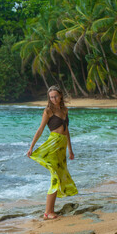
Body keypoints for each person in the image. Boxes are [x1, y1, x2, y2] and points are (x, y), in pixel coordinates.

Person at [27, 85, 78, 220]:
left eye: (55, 96)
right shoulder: (48, 111)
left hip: (61, 147)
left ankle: (50, 211)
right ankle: (47, 212)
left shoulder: (65, 110)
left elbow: (66, 131)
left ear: (60, 95)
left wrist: (70, 150)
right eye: (51, 97)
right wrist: (31, 147)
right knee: (55, 177)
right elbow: (40, 130)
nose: (53, 99)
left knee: (58, 177)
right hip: (53, 145)